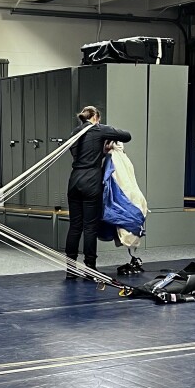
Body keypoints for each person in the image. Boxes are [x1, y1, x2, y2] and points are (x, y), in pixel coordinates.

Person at [64, 105, 132, 278]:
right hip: (91, 182)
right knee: (90, 227)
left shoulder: (75, 133)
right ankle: (90, 267)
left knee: (74, 226)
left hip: (74, 181)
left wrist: (102, 153)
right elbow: (126, 136)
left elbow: (86, 156)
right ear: (95, 117)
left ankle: (70, 269)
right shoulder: (99, 129)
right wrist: (106, 132)